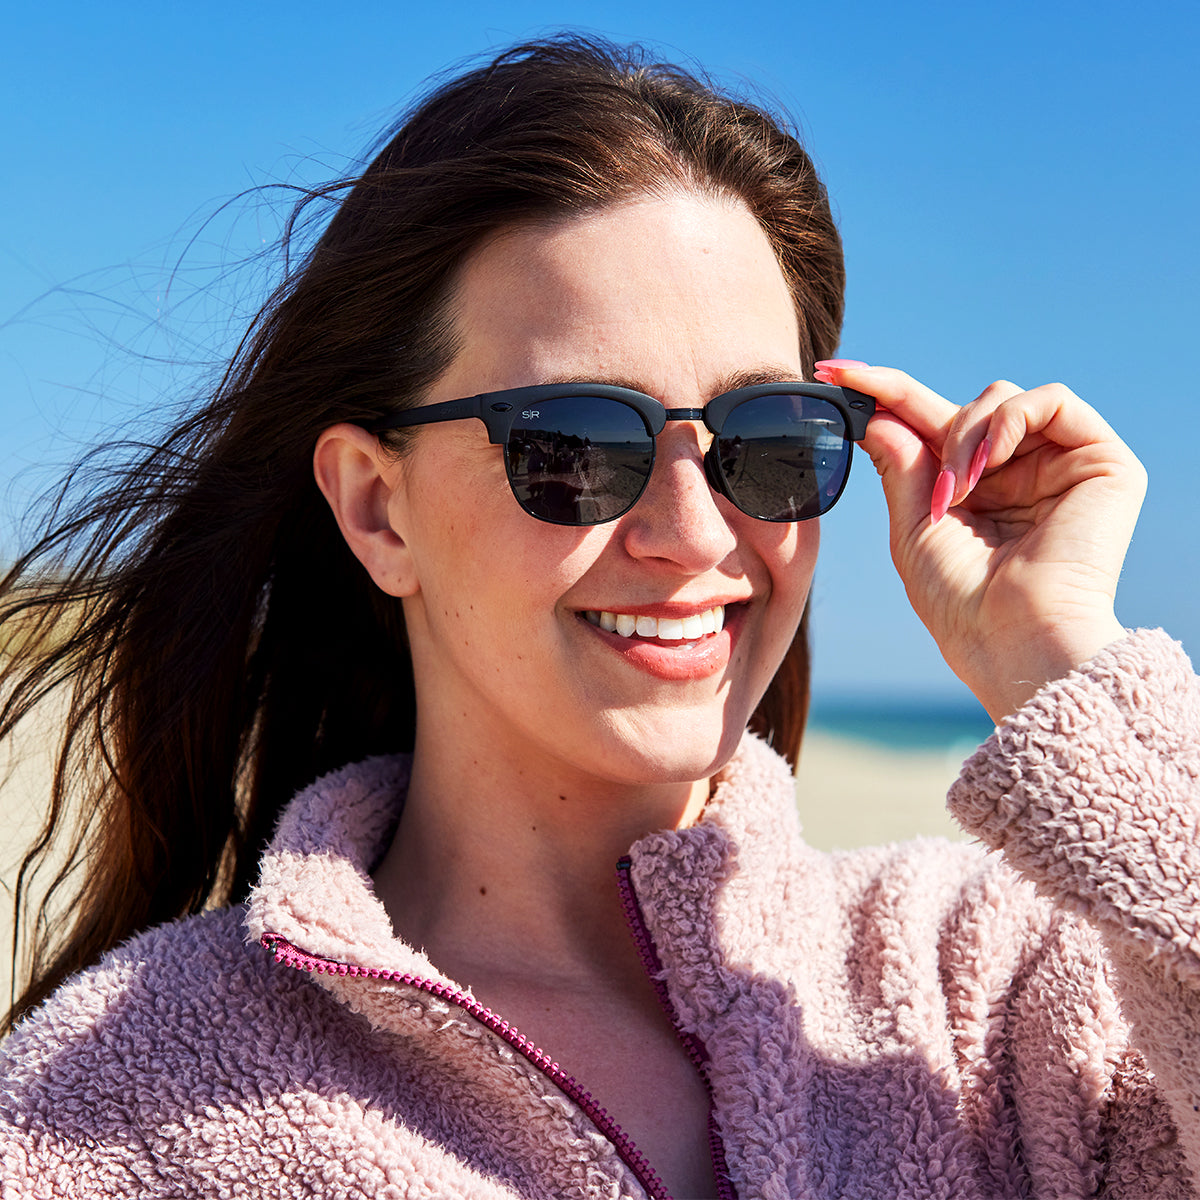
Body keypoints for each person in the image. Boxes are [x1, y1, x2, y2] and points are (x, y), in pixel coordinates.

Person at [1, 35, 1196, 1200]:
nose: (696, 532)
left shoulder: (1000, 991)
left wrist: (1056, 657)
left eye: (766, 440)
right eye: (573, 444)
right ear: (377, 507)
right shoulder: (104, 1112)